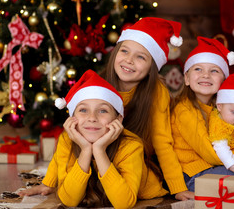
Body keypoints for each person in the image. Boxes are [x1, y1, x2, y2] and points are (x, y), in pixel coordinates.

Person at [19, 70, 145, 208]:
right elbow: (69, 200)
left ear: (118, 118)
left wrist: (99, 150)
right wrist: (85, 150)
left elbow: (124, 204)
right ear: (72, 118)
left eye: (103, 110)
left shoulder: (132, 146)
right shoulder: (67, 139)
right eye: (83, 110)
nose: (92, 118)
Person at [102, 17, 192, 200]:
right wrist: (49, 182)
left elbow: (162, 142)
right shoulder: (100, 84)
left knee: (145, 187)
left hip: (137, 157)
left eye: (140, 57)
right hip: (102, 151)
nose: (129, 60)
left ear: (152, 66)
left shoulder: (157, 92)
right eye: (124, 51)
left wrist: (178, 188)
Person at [171, 36, 234, 192]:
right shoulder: (185, 110)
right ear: (186, 78)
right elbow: (210, 154)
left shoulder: (220, 107)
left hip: (216, 164)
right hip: (193, 173)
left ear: (224, 80)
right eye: (198, 69)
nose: (206, 75)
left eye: (214, 70)